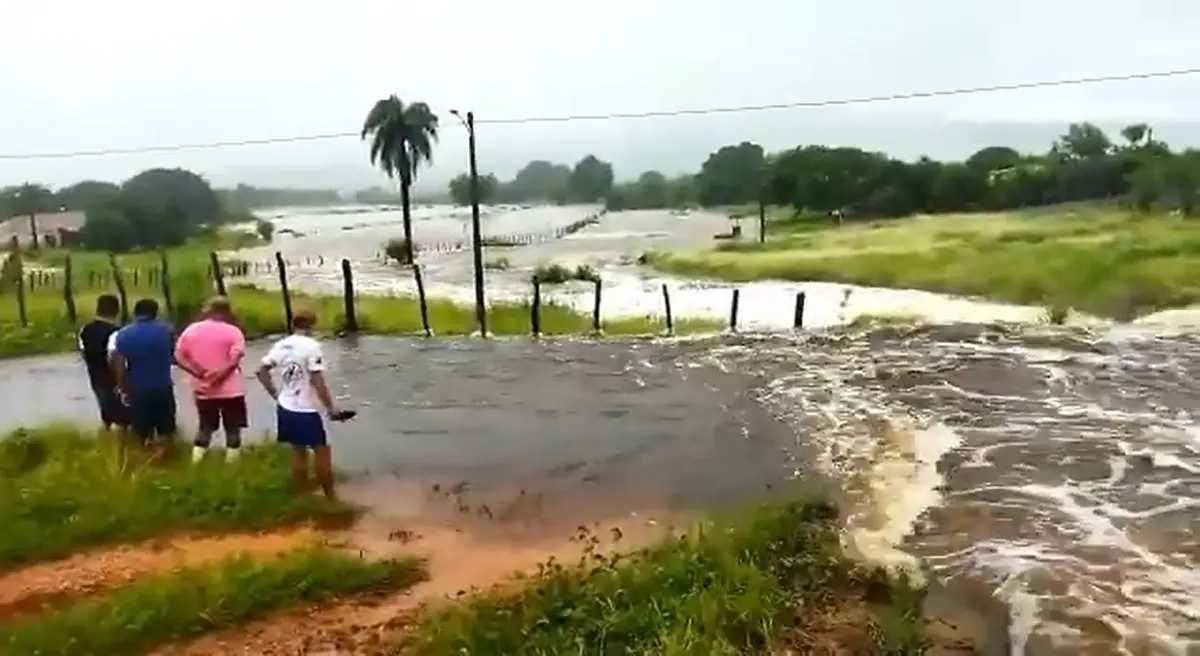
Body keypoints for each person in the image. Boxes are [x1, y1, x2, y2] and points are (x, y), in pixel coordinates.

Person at [255, 309, 344, 499]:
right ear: (312, 325)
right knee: (322, 450)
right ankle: (331, 498)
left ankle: (301, 494)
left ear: (293, 324)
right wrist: (331, 407)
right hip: (305, 408)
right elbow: (317, 380)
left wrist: (276, 395)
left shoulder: (281, 345)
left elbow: (260, 371)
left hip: (285, 406)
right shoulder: (312, 347)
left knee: (298, 451)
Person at [175, 296, 248, 463]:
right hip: (231, 390)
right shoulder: (233, 331)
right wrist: (219, 375)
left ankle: (196, 463)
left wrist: (198, 373)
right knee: (232, 429)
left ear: (208, 309)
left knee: (205, 427)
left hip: (202, 389)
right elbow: (235, 358)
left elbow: (179, 357)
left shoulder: (191, 330)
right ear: (227, 311)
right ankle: (232, 465)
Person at [111, 298, 185, 450]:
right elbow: (175, 356)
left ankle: (144, 461)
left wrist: (121, 387)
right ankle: (165, 459)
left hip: (138, 388)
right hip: (163, 386)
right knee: (165, 428)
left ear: (135, 312)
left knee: (140, 429)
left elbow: (119, 364)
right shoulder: (166, 331)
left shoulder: (124, 334)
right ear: (155, 313)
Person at [78, 294, 127, 431]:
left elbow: (83, 352)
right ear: (117, 311)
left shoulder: (84, 330)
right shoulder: (117, 332)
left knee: (106, 408)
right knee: (122, 415)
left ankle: (106, 435)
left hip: (95, 375)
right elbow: (119, 357)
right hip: (116, 377)